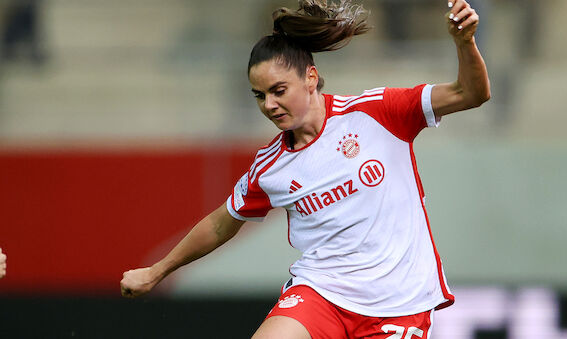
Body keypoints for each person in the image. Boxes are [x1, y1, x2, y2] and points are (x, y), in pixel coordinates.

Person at [120, 0, 490, 337]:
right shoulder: (270, 167)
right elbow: (220, 224)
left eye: (279, 90)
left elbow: (470, 93)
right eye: (259, 96)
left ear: (311, 78)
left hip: (398, 302)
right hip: (321, 294)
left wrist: (464, 43)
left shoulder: (376, 112)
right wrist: (156, 271)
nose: (269, 104)